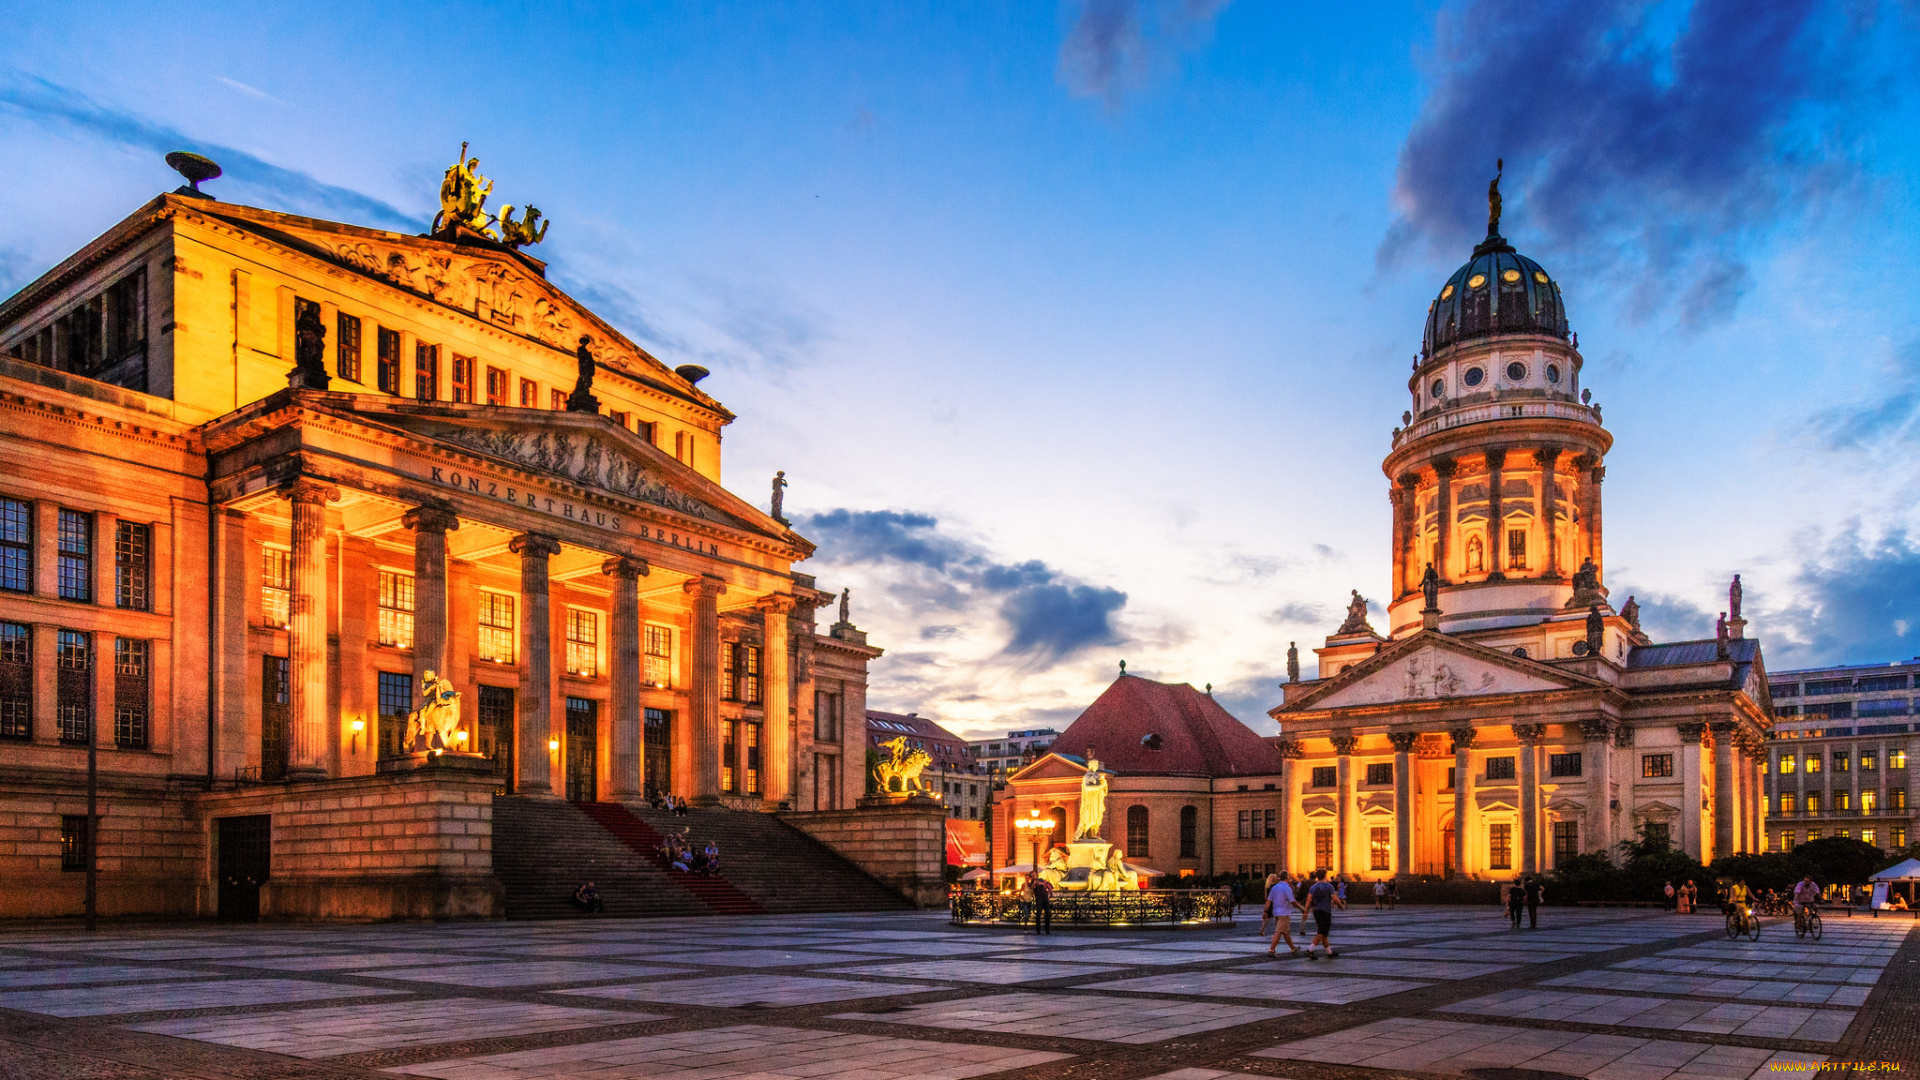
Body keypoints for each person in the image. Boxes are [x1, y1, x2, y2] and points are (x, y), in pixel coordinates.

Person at [1303, 869, 1341, 959]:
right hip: (1325, 911)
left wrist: (1305, 911)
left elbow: (1309, 899)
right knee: (1322, 932)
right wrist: (1341, 905)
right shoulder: (1329, 886)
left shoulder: (1313, 887)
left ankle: (1329, 952)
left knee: (1323, 931)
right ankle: (1310, 949)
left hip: (1316, 911)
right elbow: (1335, 898)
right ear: (1325, 876)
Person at [1267, 872, 1301, 957]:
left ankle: (1293, 949)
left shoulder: (1275, 887)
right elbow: (1292, 901)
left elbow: (1268, 900)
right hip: (1284, 913)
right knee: (1279, 931)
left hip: (1276, 912)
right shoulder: (1287, 888)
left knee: (1286, 932)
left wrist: (1265, 911)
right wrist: (1301, 908)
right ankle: (1271, 949)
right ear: (1287, 878)